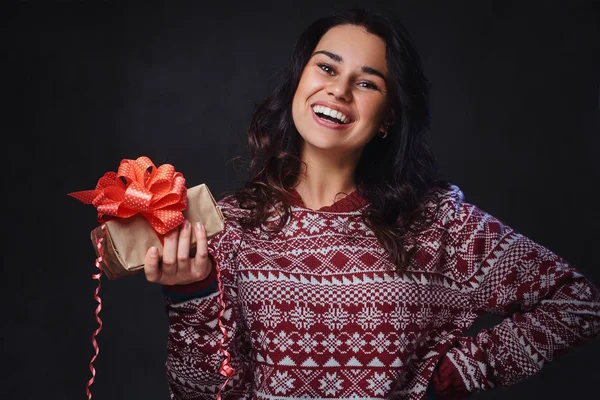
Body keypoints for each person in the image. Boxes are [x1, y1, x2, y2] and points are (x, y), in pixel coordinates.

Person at [143, 8, 599, 400]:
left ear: (388, 119)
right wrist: (190, 295)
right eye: (326, 68)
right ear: (299, 81)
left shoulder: (439, 224)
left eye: (367, 83)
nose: (339, 91)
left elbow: (577, 305)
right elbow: (201, 395)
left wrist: (453, 375)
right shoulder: (231, 224)